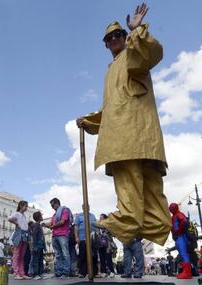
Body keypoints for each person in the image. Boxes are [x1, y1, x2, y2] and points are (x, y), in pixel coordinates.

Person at [76, 3, 171, 246]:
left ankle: (128, 223)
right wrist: (89, 121)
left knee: (148, 190)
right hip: (124, 135)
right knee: (140, 191)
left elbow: (150, 54)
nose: (115, 38)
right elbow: (112, 108)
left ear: (126, 36)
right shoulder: (111, 70)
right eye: (110, 37)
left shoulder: (133, 52)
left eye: (119, 34)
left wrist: (137, 30)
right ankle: (140, 224)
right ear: (106, 44)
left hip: (137, 137)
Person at [43, 198, 72, 278]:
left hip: (63, 235)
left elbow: (63, 221)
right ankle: (59, 272)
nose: (52, 207)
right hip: (55, 236)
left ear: (57, 203)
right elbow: (51, 223)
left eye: (52, 205)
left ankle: (65, 273)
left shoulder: (64, 210)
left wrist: (52, 226)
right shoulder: (54, 215)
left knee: (65, 254)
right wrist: (44, 224)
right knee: (58, 255)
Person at [8, 200, 31, 280]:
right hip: (19, 235)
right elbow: (9, 218)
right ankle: (16, 273)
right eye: (25, 206)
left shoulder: (24, 215)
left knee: (21, 256)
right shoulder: (17, 213)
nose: (26, 208)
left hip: (25, 235)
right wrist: (16, 224)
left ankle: (21, 273)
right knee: (16, 255)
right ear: (21, 206)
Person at [169, 203, 192, 279]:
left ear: (175, 208)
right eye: (170, 209)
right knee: (182, 254)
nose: (171, 210)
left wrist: (178, 230)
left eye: (171, 209)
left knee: (183, 253)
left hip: (181, 237)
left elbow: (184, 221)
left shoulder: (178, 214)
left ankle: (187, 272)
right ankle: (186, 271)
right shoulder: (175, 216)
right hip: (178, 237)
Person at [74, 212, 98, 278]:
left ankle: (94, 272)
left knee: (94, 256)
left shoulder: (93, 215)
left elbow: (96, 226)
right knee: (82, 256)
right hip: (82, 238)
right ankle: (82, 272)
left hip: (92, 239)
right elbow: (76, 227)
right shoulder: (79, 216)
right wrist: (76, 237)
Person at [31, 212, 47, 280]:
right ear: (39, 217)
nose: (42, 216)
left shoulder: (39, 225)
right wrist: (34, 246)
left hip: (40, 246)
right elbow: (34, 236)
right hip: (37, 246)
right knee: (36, 260)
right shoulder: (36, 225)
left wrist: (44, 246)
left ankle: (40, 273)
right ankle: (35, 274)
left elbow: (42, 237)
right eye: (41, 215)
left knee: (40, 260)